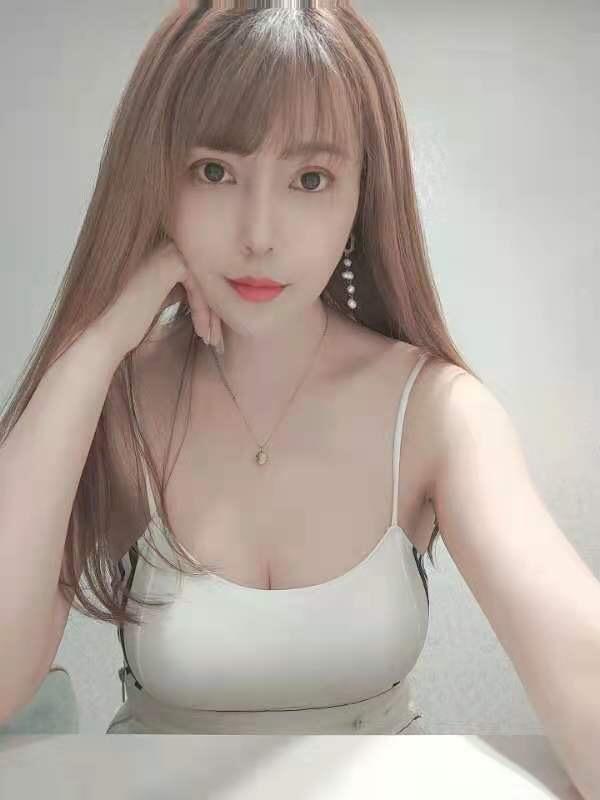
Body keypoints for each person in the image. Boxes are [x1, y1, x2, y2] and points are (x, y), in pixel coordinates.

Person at [0, 0, 472, 735]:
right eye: (215, 170)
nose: (258, 234)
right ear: (157, 179)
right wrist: (97, 342)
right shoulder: (115, 400)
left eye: (309, 179)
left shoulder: (435, 408)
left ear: (362, 197)